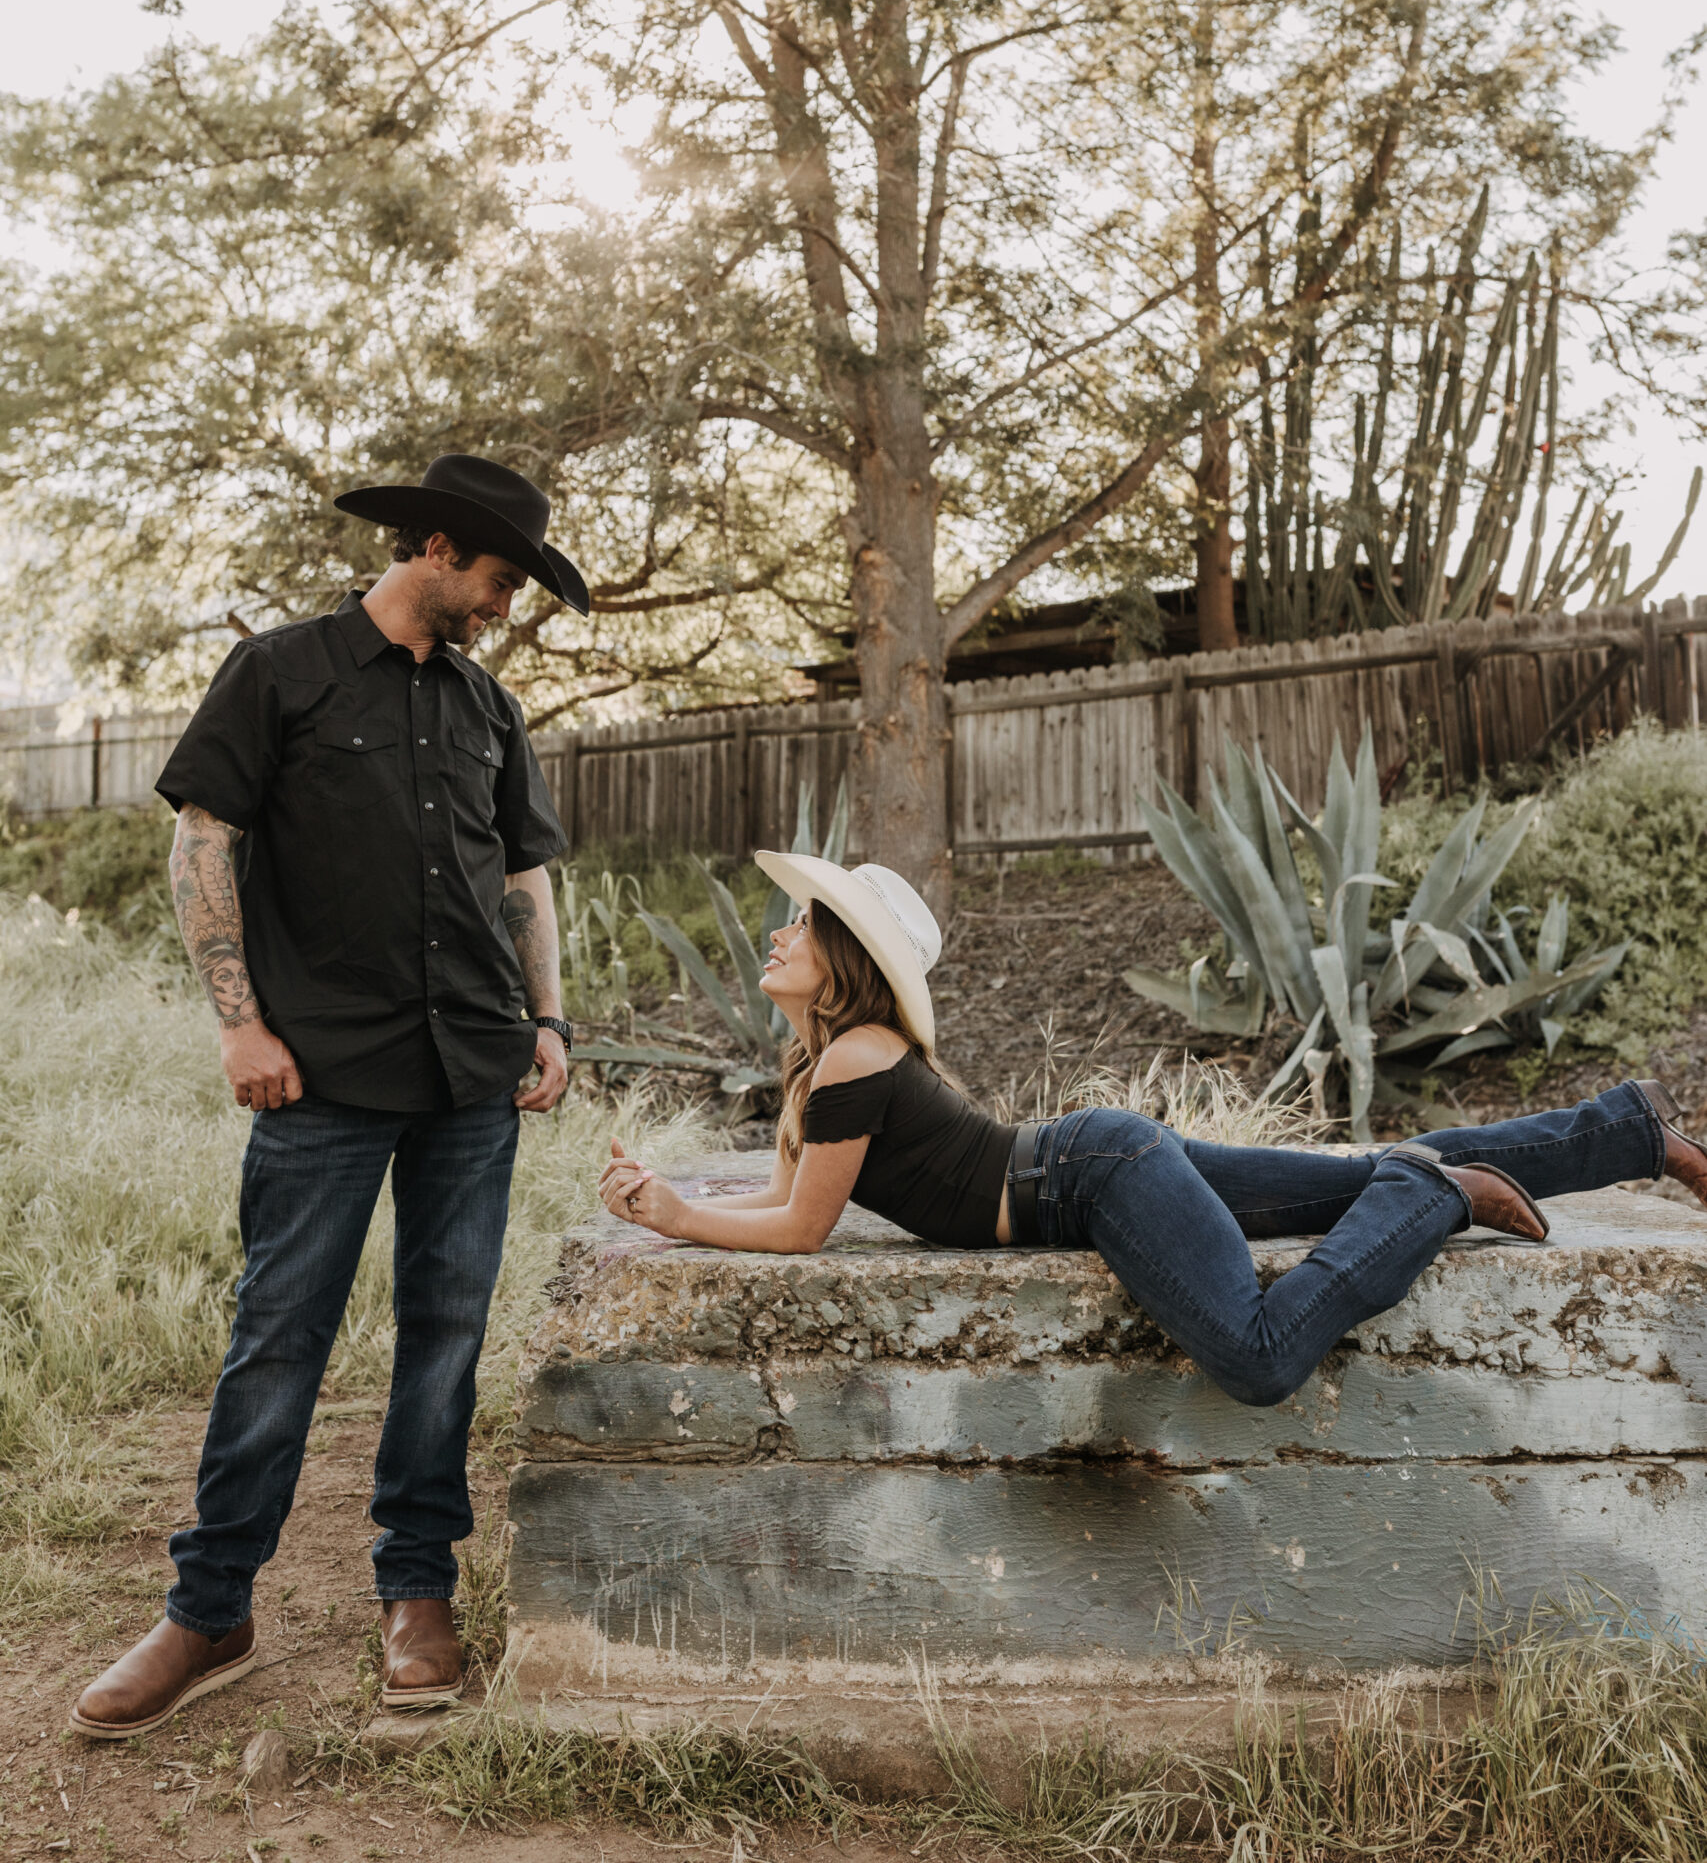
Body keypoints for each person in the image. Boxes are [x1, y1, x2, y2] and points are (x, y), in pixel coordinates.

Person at [72, 455, 588, 1740]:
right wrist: (238, 1021)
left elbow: (525, 873)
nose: (504, 608)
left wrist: (551, 1018)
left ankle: (417, 1592)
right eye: (498, 580)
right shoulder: (279, 672)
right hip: (321, 1076)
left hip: (473, 1072)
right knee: (279, 1338)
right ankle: (210, 1609)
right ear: (430, 545)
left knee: (446, 1335)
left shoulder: (489, 706)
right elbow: (203, 839)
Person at [600, 848, 1707, 1414]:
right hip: (1098, 1159)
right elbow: (789, 1208)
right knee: (1358, 1173)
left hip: (1096, 1178)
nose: (782, 929)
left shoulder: (852, 1057)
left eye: (804, 919)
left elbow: (800, 1231)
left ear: (843, 952)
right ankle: (1627, 1131)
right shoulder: (824, 1065)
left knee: (1260, 1357)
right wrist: (669, 1205)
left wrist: (681, 1214)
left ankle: (1438, 1194)